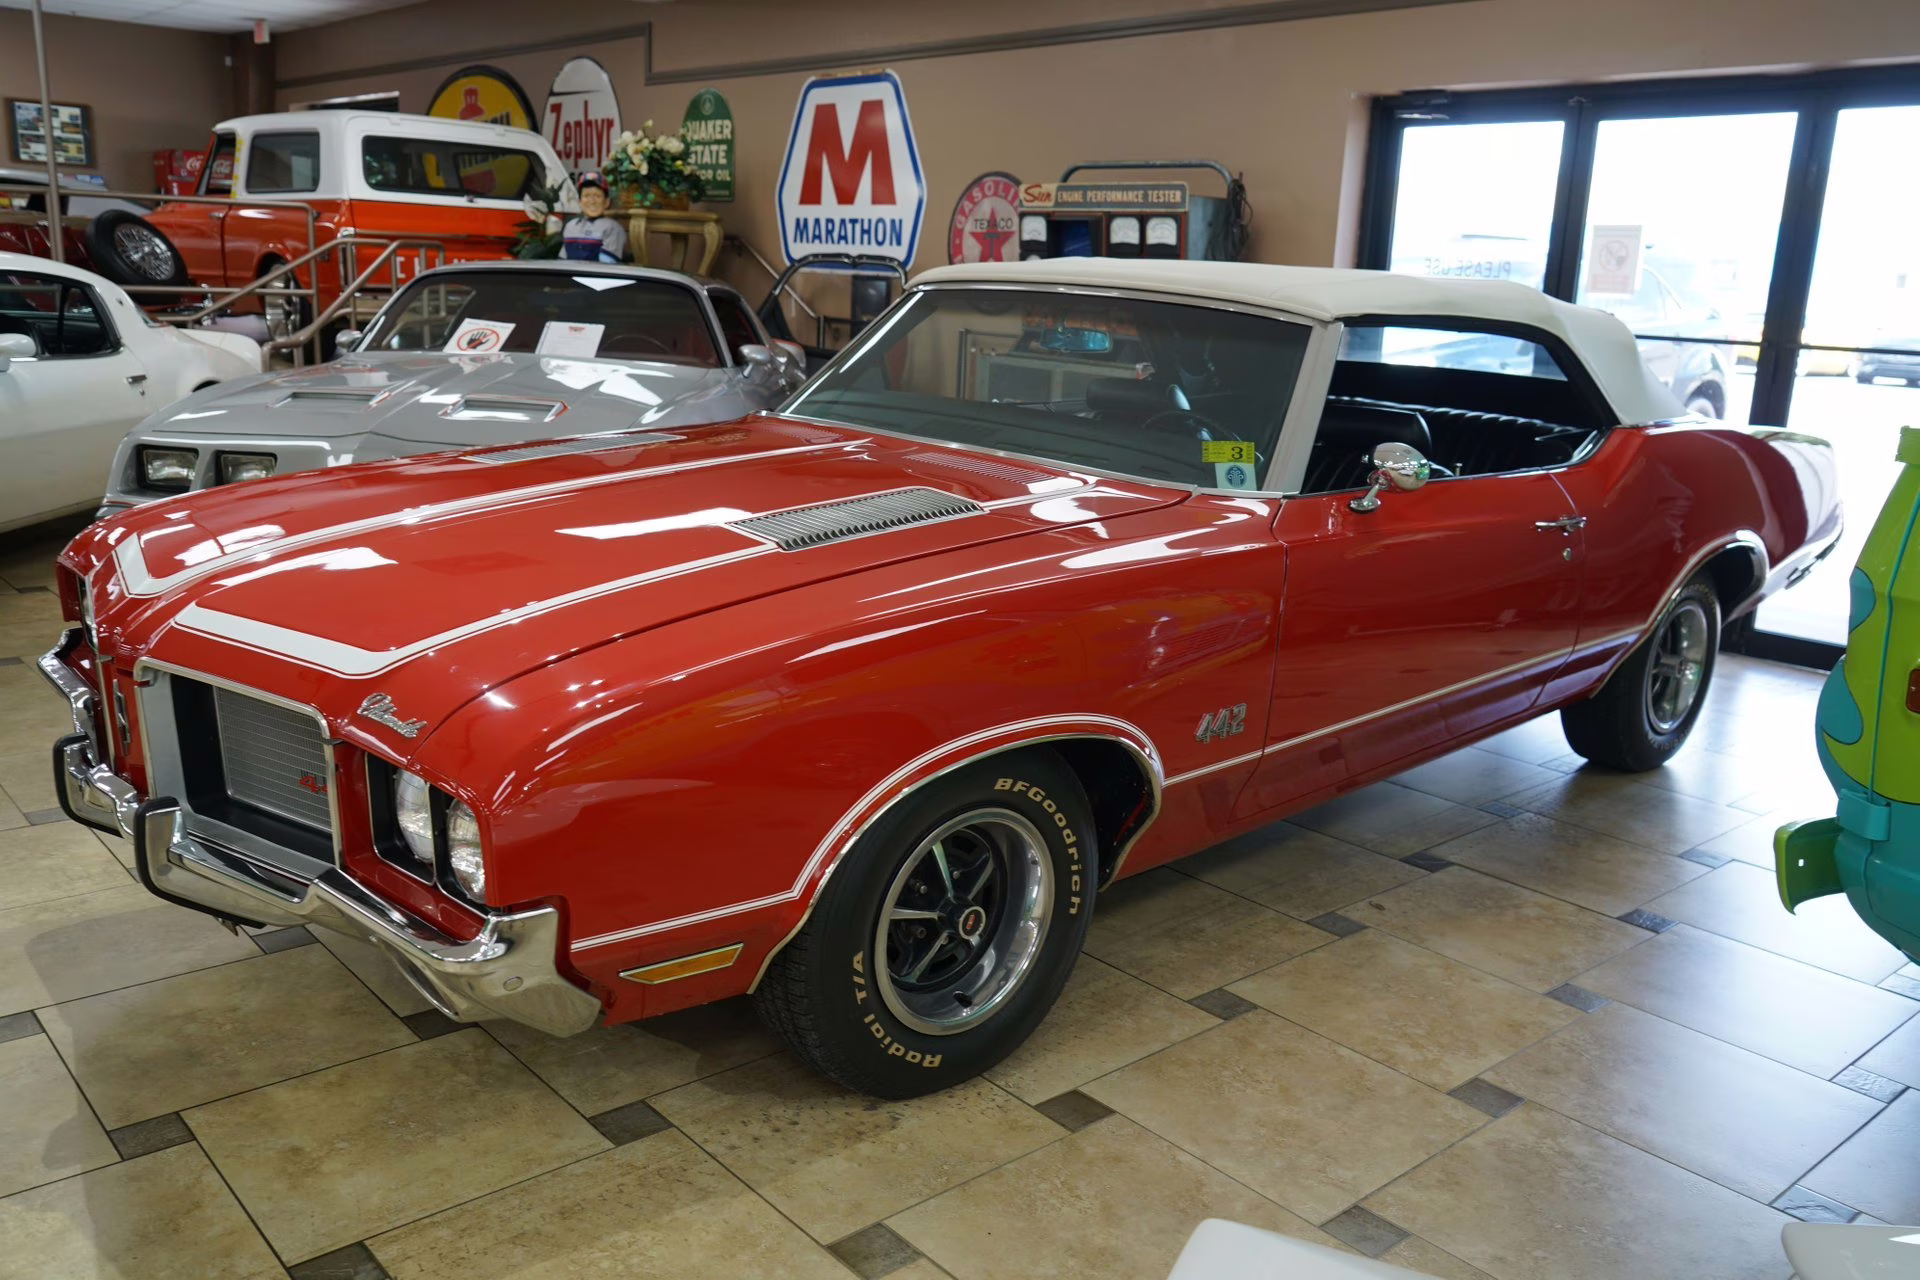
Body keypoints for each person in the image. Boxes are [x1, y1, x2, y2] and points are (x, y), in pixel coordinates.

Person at [561, 173, 628, 262]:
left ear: (607, 202)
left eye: (597, 196)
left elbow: (607, 266)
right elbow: (562, 260)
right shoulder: (571, 226)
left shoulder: (612, 228)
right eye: (586, 196)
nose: (592, 201)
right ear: (579, 202)